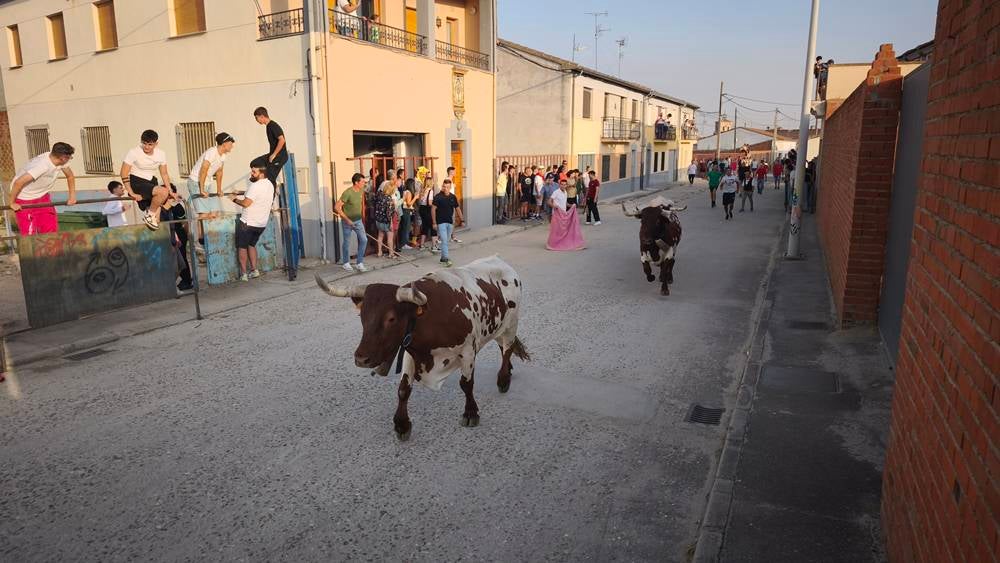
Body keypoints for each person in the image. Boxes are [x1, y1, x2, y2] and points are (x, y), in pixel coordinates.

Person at [9, 142, 77, 235]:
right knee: (29, 234)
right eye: (69, 157)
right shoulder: (41, 166)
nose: (70, 159)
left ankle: (50, 244)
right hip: (24, 197)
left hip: (42, 196)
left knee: (50, 229)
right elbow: (18, 182)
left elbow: (70, 176)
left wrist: (72, 196)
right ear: (62, 157)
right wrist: (12, 202)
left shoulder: (60, 161)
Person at [229, 157, 275, 281]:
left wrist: (234, 199)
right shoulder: (269, 184)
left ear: (261, 173)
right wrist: (241, 191)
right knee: (251, 245)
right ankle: (255, 270)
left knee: (242, 247)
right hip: (261, 224)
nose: (252, 173)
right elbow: (255, 194)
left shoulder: (255, 186)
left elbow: (246, 203)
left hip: (247, 223)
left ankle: (244, 274)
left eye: (254, 172)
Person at [121, 130, 174, 230]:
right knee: (163, 192)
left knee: (156, 221)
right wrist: (131, 192)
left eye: (150, 144)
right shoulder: (134, 152)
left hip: (151, 182)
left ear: (156, 144)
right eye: (144, 143)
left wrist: (170, 191)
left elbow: (164, 173)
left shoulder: (161, 154)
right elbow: (123, 173)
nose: (146, 147)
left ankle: (151, 217)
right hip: (137, 182)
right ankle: (150, 215)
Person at [188, 132, 235, 220]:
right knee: (204, 215)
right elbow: (203, 170)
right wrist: (201, 189)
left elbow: (219, 172)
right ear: (224, 144)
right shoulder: (212, 152)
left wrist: (219, 189)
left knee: (214, 213)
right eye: (230, 144)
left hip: (207, 182)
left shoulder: (223, 155)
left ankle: (209, 229)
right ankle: (197, 229)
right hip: (196, 182)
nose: (232, 146)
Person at [335, 173, 368, 272]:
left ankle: (359, 262)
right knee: (347, 242)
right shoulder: (347, 193)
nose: (364, 183)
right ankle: (346, 263)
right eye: (362, 182)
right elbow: (337, 207)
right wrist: (347, 220)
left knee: (364, 240)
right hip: (347, 222)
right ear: (356, 182)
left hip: (358, 220)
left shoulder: (361, 190)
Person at [162, 184, 193, 291]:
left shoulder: (177, 206)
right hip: (169, 235)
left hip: (179, 236)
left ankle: (187, 281)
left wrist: (189, 235)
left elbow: (184, 223)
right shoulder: (162, 206)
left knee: (181, 258)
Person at [546, 177, 585, 251]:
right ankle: (553, 244)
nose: (563, 186)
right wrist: (554, 206)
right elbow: (549, 201)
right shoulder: (556, 192)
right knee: (556, 230)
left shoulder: (565, 192)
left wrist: (571, 205)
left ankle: (561, 242)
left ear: (566, 185)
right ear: (559, 185)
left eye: (564, 184)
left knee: (563, 230)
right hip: (556, 214)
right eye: (562, 184)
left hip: (563, 213)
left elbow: (565, 203)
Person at [431, 179, 463, 267]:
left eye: (447, 187)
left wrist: (462, 220)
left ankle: (442, 258)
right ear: (442, 186)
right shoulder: (438, 197)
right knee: (444, 240)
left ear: (450, 187)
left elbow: (457, 208)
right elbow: (433, 210)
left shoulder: (453, 197)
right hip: (440, 222)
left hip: (450, 222)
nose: (445, 189)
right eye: (444, 187)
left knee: (446, 241)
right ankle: (446, 259)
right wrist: (434, 222)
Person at [253, 107, 288, 186]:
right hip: (272, 155)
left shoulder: (273, 125)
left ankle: (272, 186)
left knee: (270, 179)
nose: (256, 120)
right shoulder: (268, 126)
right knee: (254, 163)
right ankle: (263, 177)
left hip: (279, 156)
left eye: (256, 118)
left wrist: (274, 154)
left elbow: (282, 140)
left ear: (262, 116)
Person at [373, 172, 397, 258]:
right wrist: (391, 223)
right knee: (390, 238)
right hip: (386, 221)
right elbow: (389, 213)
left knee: (380, 236)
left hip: (379, 220)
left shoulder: (379, 196)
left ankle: (379, 252)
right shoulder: (389, 200)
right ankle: (391, 253)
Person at [418, 170, 438, 251]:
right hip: (427, 210)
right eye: (432, 181)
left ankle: (422, 245)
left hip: (421, 209)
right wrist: (435, 205)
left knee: (425, 227)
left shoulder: (422, 190)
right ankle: (434, 246)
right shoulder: (430, 191)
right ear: (430, 183)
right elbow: (430, 203)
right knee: (433, 226)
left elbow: (420, 201)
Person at [399, 178, 416, 250]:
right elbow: (409, 204)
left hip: (404, 210)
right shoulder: (408, 192)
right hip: (406, 210)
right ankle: (404, 243)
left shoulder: (405, 191)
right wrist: (415, 198)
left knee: (404, 227)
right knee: (406, 227)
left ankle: (404, 242)